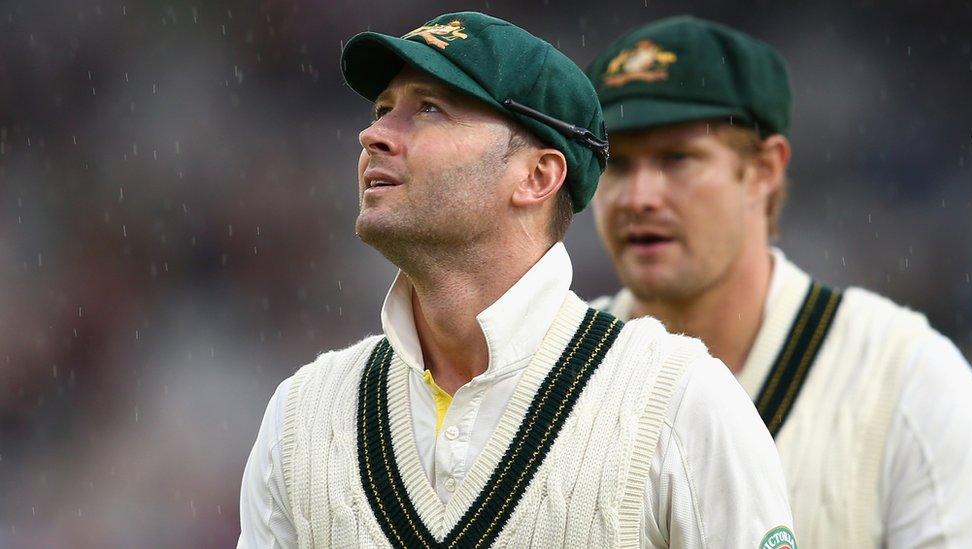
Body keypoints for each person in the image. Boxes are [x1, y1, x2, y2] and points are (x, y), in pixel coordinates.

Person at [238, 11, 795, 549]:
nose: (373, 135)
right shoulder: (301, 416)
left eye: (429, 109)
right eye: (383, 109)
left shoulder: (681, 402)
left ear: (537, 176)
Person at [587, 15, 972, 548]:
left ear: (765, 170)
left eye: (677, 158)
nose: (638, 196)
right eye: (617, 163)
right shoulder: (550, 367)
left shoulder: (906, 380)